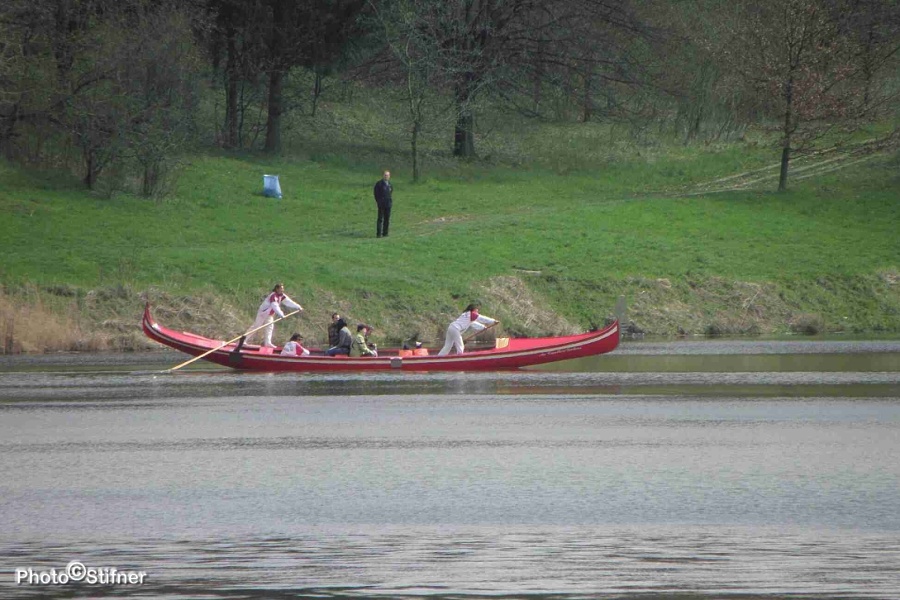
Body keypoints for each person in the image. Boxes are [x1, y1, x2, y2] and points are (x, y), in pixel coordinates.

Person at [246, 283, 303, 348]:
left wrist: (298, 307)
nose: (282, 290)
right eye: (281, 288)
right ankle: (244, 340)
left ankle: (267, 343)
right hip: (263, 313)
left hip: (270, 314)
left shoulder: (282, 296)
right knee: (256, 326)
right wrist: (281, 314)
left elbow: (289, 302)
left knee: (270, 327)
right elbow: (274, 305)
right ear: (277, 289)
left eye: (283, 288)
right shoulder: (273, 296)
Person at [373, 170, 393, 238]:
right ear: (383, 176)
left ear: (389, 176)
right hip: (381, 204)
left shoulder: (390, 184)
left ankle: (385, 233)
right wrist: (378, 201)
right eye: (385, 175)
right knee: (380, 219)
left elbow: (390, 192)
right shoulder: (379, 184)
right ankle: (378, 234)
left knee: (387, 219)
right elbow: (376, 193)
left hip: (388, 204)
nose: (386, 176)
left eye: (387, 175)